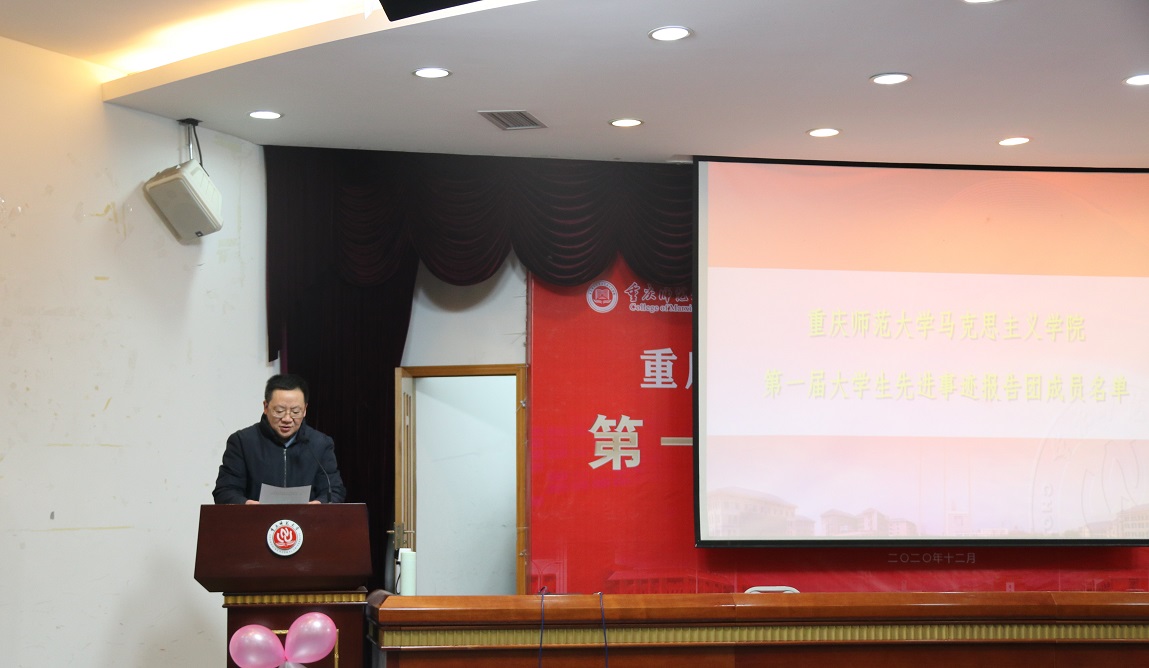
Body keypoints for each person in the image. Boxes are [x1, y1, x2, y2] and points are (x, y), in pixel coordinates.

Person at [213, 373, 346, 504]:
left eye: (295, 412)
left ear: (305, 409)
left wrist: (319, 504)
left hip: (306, 518)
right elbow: (225, 491)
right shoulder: (243, 442)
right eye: (279, 411)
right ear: (266, 407)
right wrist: (247, 505)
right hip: (257, 517)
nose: (287, 419)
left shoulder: (320, 444)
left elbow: (334, 490)